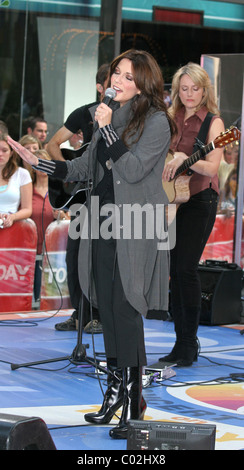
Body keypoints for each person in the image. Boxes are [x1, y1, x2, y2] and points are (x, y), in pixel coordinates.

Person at [7, 49, 175, 439]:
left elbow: (133, 170)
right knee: (108, 309)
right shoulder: (109, 115)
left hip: (136, 224)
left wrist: (107, 127)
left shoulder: (156, 122)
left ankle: (134, 406)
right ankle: (115, 394)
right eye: (117, 72)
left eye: (129, 76)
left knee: (127, 307)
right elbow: (85, 167)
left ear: (144, 83)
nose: (118, 80)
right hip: (101, 221)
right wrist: (40, 163)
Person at [161, 62, 225, 367]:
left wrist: (189, 159)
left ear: (204, 90)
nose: (189, 94)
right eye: (183, 88)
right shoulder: (170, 118)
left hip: (200, 199)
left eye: (194, 88)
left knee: (186, 268)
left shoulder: (214, 123)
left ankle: (188, 343)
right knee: (174, 269)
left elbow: (212, 168)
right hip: (171, 199)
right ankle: (179, 342)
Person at [47, 64, 110, 333]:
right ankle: (79, 312)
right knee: (74, 256)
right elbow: (52, 144)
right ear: (99, 87)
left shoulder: (123, 117)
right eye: (111, 81)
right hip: (82, 199)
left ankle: (99, 313)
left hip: (108, 200)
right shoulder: (83, 114)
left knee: (98, 257)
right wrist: (71, 174)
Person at [31, 148, 70, 302]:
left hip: (52, 254)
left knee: (47, 296)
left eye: (45, 163)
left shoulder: (59, 191)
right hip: (31, 251)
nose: (42, 167)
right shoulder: (28, 189)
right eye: (38, 163)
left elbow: (69, 217)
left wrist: (61, 215)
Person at [0, 131, 32, 228]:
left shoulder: (22, 174)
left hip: (11, 231)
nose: (0, 154)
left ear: (11, 153)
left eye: (4, 150)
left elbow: (27, 209)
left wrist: (12, 217)